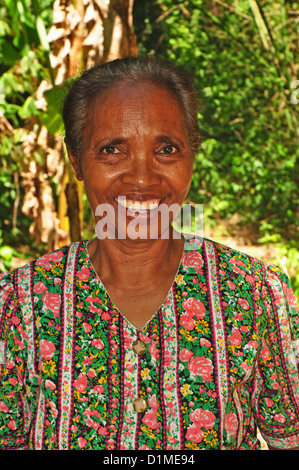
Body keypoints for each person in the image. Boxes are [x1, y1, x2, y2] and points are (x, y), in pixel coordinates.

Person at [0, 56, 299, 451]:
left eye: (167, 148)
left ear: (192, 155)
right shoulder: (20, 302)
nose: (141, 177)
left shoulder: (255, 293)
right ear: (76, 159)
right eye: (112, 149)